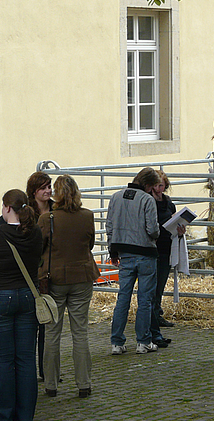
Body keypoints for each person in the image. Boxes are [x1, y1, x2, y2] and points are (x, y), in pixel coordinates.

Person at [0, 189, 43, 421]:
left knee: (4, 360)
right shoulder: (35, 233)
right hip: (28, 295)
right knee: (26, 358)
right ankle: (25, 416)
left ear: (7, 208)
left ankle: (5, 416)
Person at [38, 175, 100, 398]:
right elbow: (90, 244)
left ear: (57, 194)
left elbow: (39, 247)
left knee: (52, 332)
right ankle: (84, 383)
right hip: (82, 276)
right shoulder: (87, 216)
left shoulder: (47, 219)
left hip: (54, 278)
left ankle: (51, 384)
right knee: (80, 331)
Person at [107, 167, 161, 355]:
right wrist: (157, 234)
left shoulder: (116, 197)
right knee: (145, 299)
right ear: (148, 185)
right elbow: (152, 229)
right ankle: (143, 341)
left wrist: (112, 251)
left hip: (124, 253)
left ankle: (116, 342)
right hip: (145, 253)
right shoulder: (147, 199)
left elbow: (109, 226)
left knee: (123, 297)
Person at [150, 170, 184, 347]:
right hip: (152, 247)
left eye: (161, 185)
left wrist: (180, 229)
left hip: (166, 246)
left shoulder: (169, 203)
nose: (158, 189)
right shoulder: (148, 202)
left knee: (161, 283)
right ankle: (152, 318)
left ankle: (157, 314)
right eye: (155, 185)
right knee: (152, 286)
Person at [26, 171, 53, 379]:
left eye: (49, 186)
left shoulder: (56, 209)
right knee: (32, 323)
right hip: (32, 270)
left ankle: (48, 369)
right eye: (43, 187)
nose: (48, 191)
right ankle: (30, 369)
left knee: (50, 324)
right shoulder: (27, 211)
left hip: (52, 270)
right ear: (34, 191)